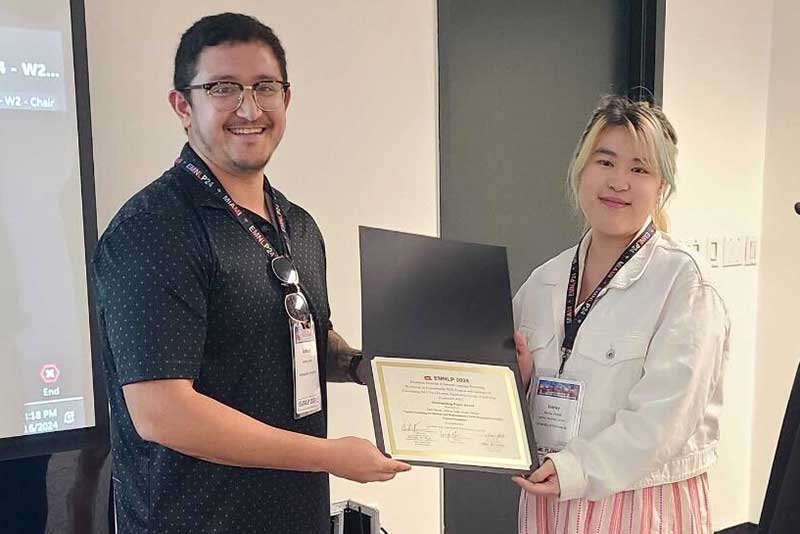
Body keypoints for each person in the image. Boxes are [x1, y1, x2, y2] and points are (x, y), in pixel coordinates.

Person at [91, 13, 410, 534]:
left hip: (295, 516)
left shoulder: (297, 225)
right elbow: (161, 411)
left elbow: (295, 331)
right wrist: (329, 455)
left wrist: (359, 368)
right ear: (183, 106)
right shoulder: (154, 229)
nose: (249, 108)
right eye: (223, 88)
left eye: (265, 87)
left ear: (287, 98)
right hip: (193, 521)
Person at [511, 96, 729, 533]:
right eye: (605, 162)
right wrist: (520, 378)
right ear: (580, 168)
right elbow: (507, 389)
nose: (618, 182)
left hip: (641, 506)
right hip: (550, 497)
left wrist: (576, 470)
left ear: (661, 186)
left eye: (640, 169)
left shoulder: (683, 284)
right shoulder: (544, 281)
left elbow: (664, 421)